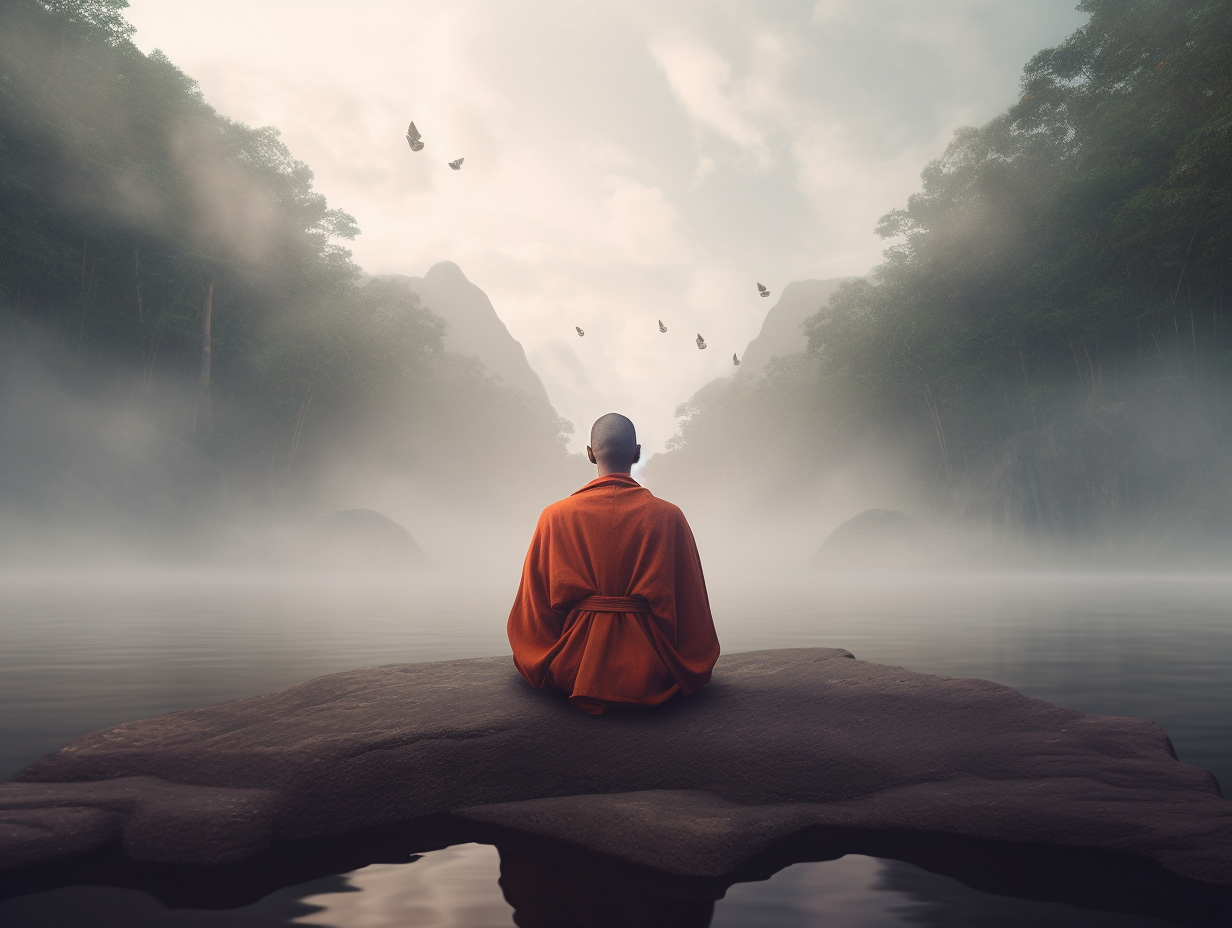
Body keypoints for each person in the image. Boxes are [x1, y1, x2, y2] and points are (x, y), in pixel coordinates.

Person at [507, 413, 720, 714]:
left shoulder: (554, 517)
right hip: (651, 668)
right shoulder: (669, 516)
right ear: (637, 453)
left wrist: (545, 655)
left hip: (573, 666)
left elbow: (534, 609)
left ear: (590, 454)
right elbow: (690, 608)